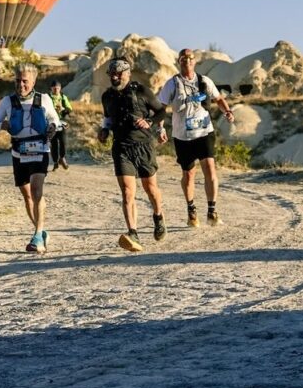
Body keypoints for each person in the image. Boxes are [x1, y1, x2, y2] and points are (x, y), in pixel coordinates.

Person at [157, 48, 235, 228]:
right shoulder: (172, 84)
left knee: (210, 169)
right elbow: (161, 108)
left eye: (190, 58)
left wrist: (227, 111)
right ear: (179, 62)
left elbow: (218, 98)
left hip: (204, 131)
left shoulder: (204, 81)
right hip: (183, 136)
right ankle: (191, 210)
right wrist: (160, 128)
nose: (187, 61)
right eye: (183, 59)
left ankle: (212, 211)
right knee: (189, 174)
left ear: (195, 62)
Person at [98, 58, 168, 252]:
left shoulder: (142, 91)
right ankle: (133, 233)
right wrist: (104, 131)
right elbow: (107, 119)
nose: (114, 77)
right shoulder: (107, 97)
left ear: (128, 74)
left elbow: (161, 111)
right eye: (112, 74)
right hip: (121, 147)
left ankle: (158, 216)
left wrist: (151, 123)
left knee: (150, 188)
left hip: (144, 146)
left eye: (118, 74)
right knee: (128, 192)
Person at [0, 63, 61, 253]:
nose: (21, 85)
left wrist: (53, 127)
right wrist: (3, 125)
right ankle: (41, 230)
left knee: (37, 191)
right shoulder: (7, 102)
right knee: (27, 195)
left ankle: (37, 236)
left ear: (34, 82)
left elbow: (55, 120)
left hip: (40, 150)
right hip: (18, 153)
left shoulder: (44, 99)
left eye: (25, 81)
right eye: (18, 81)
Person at [48, 80, 74, 170]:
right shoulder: (47, 98)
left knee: (63, 141)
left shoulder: (63, 97)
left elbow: (70, 109)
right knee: (53, 143)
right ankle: (55, 162)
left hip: (61, 122)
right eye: (54, 88)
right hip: (51, 123)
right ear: (51, 88)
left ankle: (62, 158)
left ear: (60, 88)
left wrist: (63, 109)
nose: (56, 90)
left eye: (58, 88)